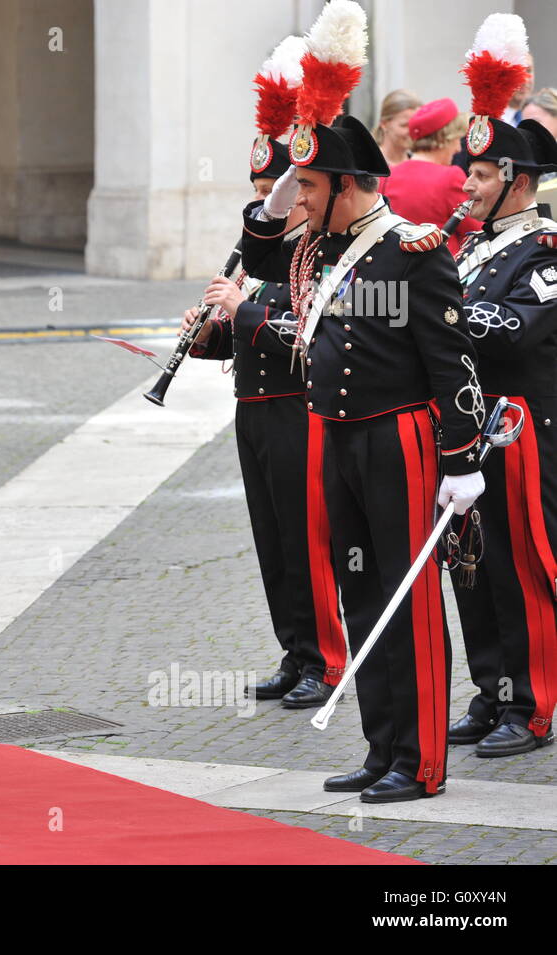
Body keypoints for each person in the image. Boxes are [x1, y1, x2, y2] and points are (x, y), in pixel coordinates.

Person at [203, 78, 484, 801]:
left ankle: (418, 760)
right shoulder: (321, 251)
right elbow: (261, 250)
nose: (297, 203)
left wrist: (462, 457)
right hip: (336, 437)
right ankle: (381, 743)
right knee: (361, 596)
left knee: (408, 598)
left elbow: (451, 359)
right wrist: (282, 190)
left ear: (346, 187)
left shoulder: (410, 250)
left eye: (309, 189)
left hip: (400, 441)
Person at [183, 139, 345, 708]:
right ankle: (295, 652)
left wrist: (238, 308)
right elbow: (247, 338)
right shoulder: (264, 258)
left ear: (302, 198)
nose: (263, 209)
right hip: (252, 413)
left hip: (295, 414)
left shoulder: (322, 258)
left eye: (273, 195)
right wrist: (207, 335)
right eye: (256, 196)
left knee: (306, 541)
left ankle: (325, 660)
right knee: (271, 539)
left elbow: (303, 337)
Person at [445, 94, 557, 757]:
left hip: (520, 434)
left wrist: (443, 311)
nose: (467, 184)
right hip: (468, 431)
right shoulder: (474, 252)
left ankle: (533, 703)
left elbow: (516, 333)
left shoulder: (544, 251)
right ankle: (491, 690)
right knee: (471, 567)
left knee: (521, 569)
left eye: (480, 175)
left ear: (515, 180)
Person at [380, 99, 481, 255]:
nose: (458, 148)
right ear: (442, 139)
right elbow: (475, 231)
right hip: (441, 270)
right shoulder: (450, 176)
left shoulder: (387, 176)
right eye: (455, 139)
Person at [373, 89, 421, 170]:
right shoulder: (370, 163)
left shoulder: (418, 164)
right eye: (404, 125)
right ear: (384, 124)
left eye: (416, 125)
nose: (413, 131)